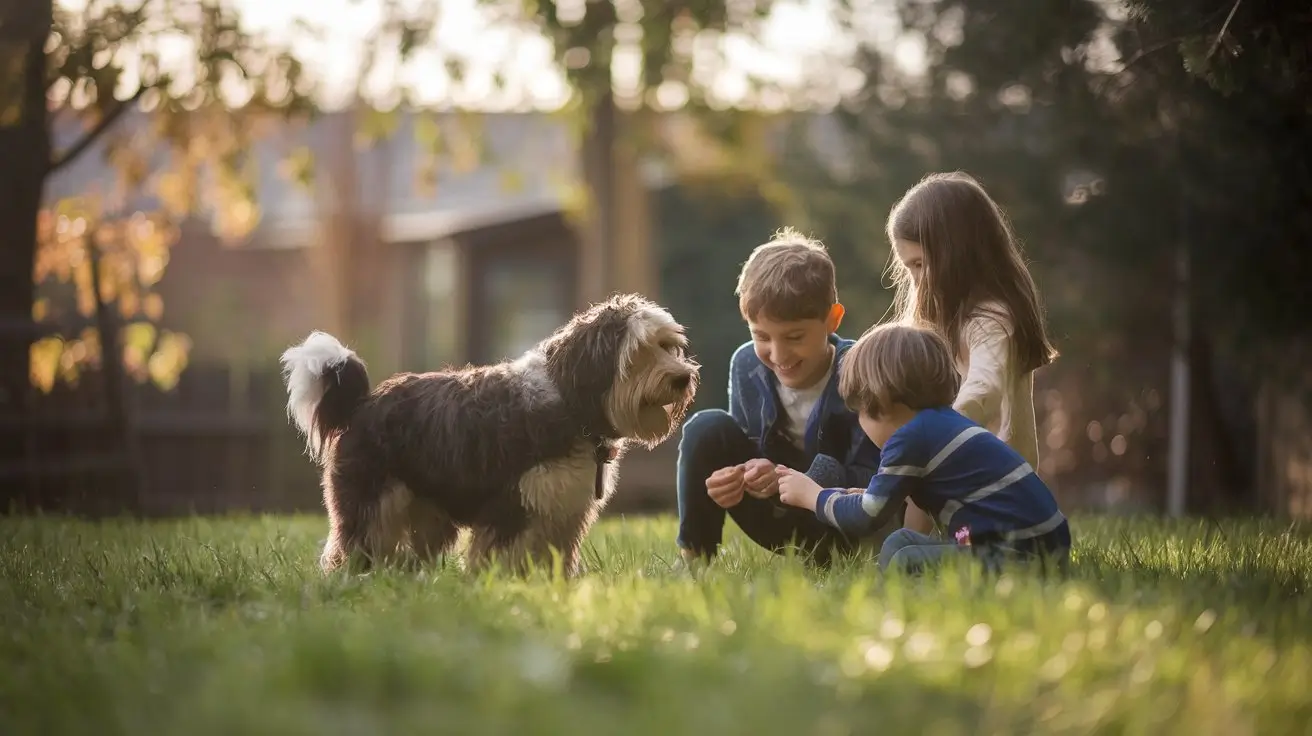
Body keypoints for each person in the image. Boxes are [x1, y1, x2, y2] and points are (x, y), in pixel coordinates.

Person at [775, 322, 1072, 574]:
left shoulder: (908, 438)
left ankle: (897, 613)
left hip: (1019, 554)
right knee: (900, 541)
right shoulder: (938, 425)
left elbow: (868, 516)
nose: (861, 424)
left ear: (883, 402)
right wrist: (862, 495)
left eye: (861, 412)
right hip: (1038, 543)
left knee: (906, 560)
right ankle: (889, 600)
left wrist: (812, 496)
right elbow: (880, 501)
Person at [675, 228, 888, 567]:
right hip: (776, 518)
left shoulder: (860, 371)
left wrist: (797, 478)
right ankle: (694, 557)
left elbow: (880, 478)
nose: (778, 354)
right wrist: (740, 477)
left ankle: (827, 560)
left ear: (832, 320)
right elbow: (746, 444)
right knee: (706, 427)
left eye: (794, 336)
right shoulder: (746, 364)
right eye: (762, 336)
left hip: (841, 524)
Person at [883, 171, 1059, 535]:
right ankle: (900, 543)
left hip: (999, 479)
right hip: (971, 467)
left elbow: (985, 387)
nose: (915, 280)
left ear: (957, 253)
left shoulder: (992, 320)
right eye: (908, 267)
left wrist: (936, 434)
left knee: (921, 467)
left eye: (919, 264)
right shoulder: (947, 315)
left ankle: (906, 545)